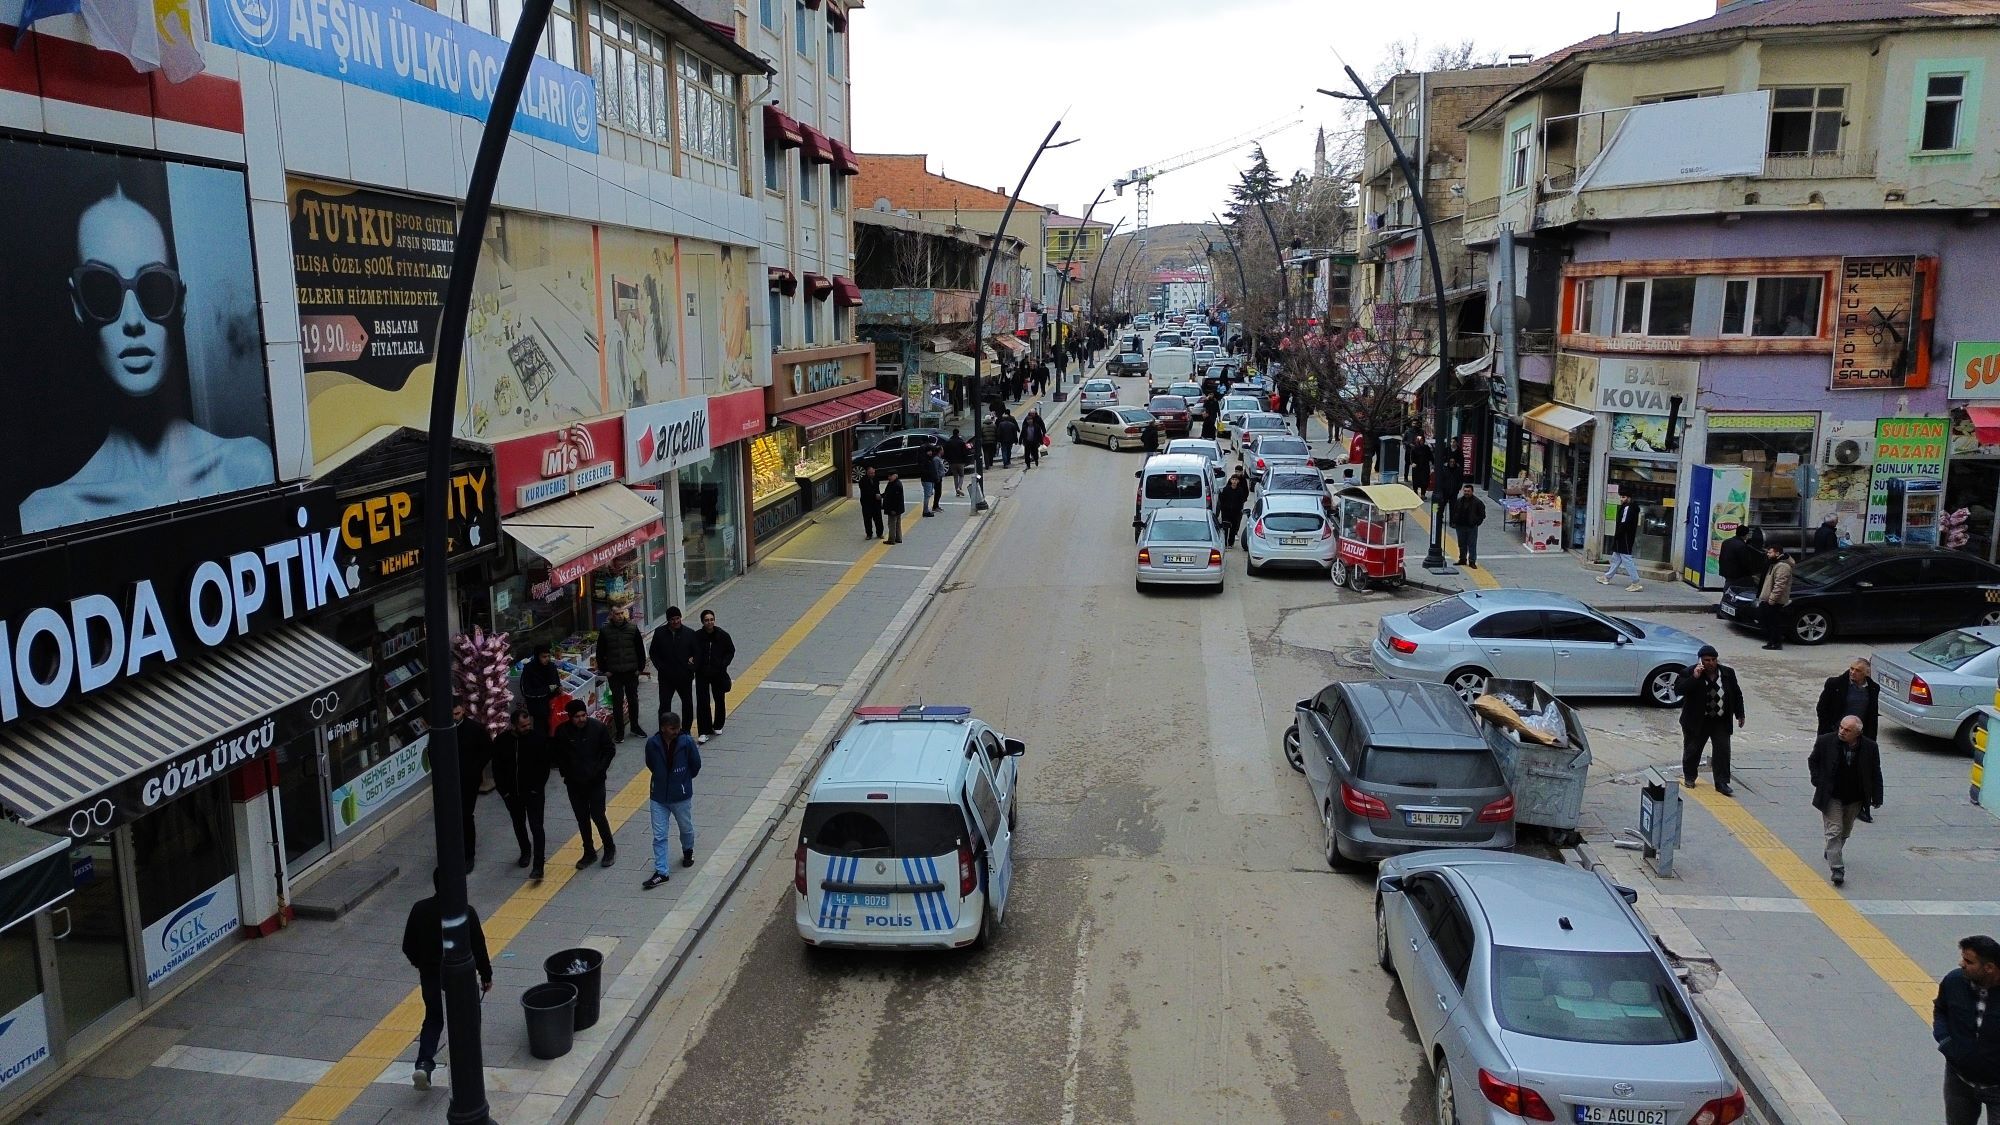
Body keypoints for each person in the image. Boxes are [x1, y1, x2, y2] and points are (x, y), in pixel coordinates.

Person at [19, 183, 272, 533]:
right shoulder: (45, 515)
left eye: (153, 288)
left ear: (180, 303)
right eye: (102, 290)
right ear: (78, 305)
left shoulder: (247, 467)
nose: (133, 321)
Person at [400, 869, 492, 1089]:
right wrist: (486, 975)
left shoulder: (419, 909)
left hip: (430, 976)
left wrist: (421, 964)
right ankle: (469, 1059)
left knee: (433, 1018)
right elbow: (479, 947)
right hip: (460, 979)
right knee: (470, 1015)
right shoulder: (465, 912)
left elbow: (408, 946)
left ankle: (423, 1063)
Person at [1807, 715, 1883, 886]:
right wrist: (1817, 780)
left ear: (1857, 733)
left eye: (1847, 730)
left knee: (1845, 831)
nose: (1842, 731)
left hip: (1855, 798)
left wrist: (1877, 796)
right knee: (1834, 830)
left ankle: (1832, 850)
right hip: (1832, 796)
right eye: (1841, 727)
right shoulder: (1825, 741)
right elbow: (1813, 760)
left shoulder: (1870, 747)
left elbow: (1875, 772)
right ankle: (1837, 868)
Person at [1935, 934, 2000, 1123]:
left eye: (1968, 961)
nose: (1961, 963)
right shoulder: (1954, 981)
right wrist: (1946, 1042)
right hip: (1960, 1079)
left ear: (1989, 968)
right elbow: (1940, 1010)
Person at [642, 711, 703, 888]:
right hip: (658, 796)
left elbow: (696, 765)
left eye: (678, 728)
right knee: (659, 835)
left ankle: (688, 850)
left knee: (685, 828)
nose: (676, 731)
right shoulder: (652, 744)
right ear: (662, 728)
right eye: (672, 728)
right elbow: (650, 763)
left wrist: (682, 780)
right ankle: (661, 871)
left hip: (681, 796)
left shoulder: (686, 743)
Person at [553, 699, 617, 868]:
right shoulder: (562, 732)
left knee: (598, 815)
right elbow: (558, 755)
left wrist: (600, 770)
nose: (581, 719)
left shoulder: (598, 728)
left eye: (583, 715)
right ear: (570, 717)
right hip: (574, 784)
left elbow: (609, 750)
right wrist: (566, 773)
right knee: (582, 818)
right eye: (577, 717)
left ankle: (609, 848)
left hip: (595, 782)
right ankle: (589, 851)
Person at [1675, 644, 1745, 794]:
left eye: (1713, 659)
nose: (1711, 663)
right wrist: (1695, 677)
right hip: (1697, 721)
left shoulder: (1727, 673)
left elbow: (1736, 694)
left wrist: (1740, 714)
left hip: (1720, 720)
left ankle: (1722, 783)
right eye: (1707, 660)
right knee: (1693, 750)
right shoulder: (1689, 672)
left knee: (1722, 751)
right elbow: (1679, 690)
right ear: (1700, 660)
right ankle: (1690, 777)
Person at [490, 708, 550, 878]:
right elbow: (497, 768)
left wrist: (536, 789)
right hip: (513, 795)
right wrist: (505, 793)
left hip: (533, 794)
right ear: (514, 726)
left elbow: (544, 767)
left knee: (536, 827)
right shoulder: (502, 742)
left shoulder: (537, 739)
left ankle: (538, 865)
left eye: (528, 724)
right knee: (519, 825)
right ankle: (525, 851)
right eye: (523, 726)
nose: (527, 728)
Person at [593, 605, 647, 742]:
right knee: (617, 702)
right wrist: (605, 670)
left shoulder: (632, 629)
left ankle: (635, 726)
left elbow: (640, 650)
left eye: (621, 613)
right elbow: (600, 652)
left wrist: (639, 669)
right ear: (611, 614)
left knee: (633, 700)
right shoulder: (605, 631)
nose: (620, 616)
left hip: (631, 672)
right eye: (617, 614)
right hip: (615, 673)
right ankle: (620, 732)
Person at [450, 702, 491, 866]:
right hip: (450, 781)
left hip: (468, 780)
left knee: (466, 816)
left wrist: (475, 770)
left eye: (457, 714)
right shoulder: (442, 729)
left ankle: (468, 854)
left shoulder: (475, 729)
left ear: (463, 711)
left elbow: (487, 750)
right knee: (452, 817)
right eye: (452, 715)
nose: (454, 718)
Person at [648, 607, 699, 730]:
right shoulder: (659, 633)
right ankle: (664, 730)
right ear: (668, 621)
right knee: (665, 705)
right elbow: (653, 653)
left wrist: (691, 668)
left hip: (684, 676)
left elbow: (697, 653)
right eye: (672, 619)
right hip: (666, 677)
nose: (676, 621)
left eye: (677, 618)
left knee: (687, 704)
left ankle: (686, 730)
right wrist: (661, 667)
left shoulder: (690, 633)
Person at [692, 608, 735, 744]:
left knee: (719, 699)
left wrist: (723, 664)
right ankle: (704, 731)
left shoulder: (722, 635)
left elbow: (730, 651)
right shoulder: (697, 636)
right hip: (702, 673)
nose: (709, 622)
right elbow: (691, 650)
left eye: (711, 619)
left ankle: (718, 725)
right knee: (703, 701)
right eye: (706, 620)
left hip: (718, 672)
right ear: (702, 622)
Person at [1816, 657, 1880, 739]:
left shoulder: (1873, 688)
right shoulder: (1835, 684)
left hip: (1857, 736)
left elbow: (1872, 715)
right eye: (1852, 669)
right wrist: (1828, 728)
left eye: (1858, 670)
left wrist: (1871, 739)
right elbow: (1821, 708)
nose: (1853, 672)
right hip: (1834, 733)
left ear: (1866, 673)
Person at [1599, 494, 1644, 591]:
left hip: (1624, 538)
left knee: (1626, 559)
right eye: (1621, 497)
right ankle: (1607, 577)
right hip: (1624, 537)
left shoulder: (1628, 508)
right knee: (1616, 558)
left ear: (1629, 498)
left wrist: (1618, 535)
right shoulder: (1630, 507)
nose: (1621, 499)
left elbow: (1624, 523)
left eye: (1623, 497)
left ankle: (1635, 582)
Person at [1758, 546, 1796, 650]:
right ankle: (1771, 641)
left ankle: (1775, 643)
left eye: (1770, 552)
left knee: (1774, 623)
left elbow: (1779, 585)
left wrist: (1772, 599)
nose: (1768, 554)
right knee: (1769, 622)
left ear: (1777, 553)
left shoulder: (1782, 566)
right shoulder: (1774, 563)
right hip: (1768, 598)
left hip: (1774, 601)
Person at [519, 644, 560, 733]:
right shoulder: (529, 669)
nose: (547, 659)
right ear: (537, 656)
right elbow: (527, 691)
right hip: (538, 709)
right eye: (544, 657)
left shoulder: (551, 667)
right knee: (541, 732)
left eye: (549, 656)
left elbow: (556, 684)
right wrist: (548, 689)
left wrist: (554, 689)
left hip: (552, 706)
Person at [1449, 483, 1486, 568]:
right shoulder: (1459, 501)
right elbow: (1454, 511)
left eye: (1468, 491)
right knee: (1461, 544)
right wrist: (1455, 522)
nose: (1466, 493)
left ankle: (1472, 561)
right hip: (1460, 526)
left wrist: (1476, 523)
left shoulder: (1478, 502)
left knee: (1472, 545)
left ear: (1472, 492)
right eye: (1465, 491)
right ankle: (1462, 559)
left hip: (1471, 527)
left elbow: (1482, 515)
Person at [1717, 524, 1755, 597]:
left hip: (1725, 570)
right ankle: (1726, 601)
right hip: (1737, 573)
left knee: (1728, 585)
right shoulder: (1741, 546)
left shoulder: (1726, 542)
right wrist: (1749, 573)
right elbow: (1745, 562)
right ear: (1745, 535)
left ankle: (1726, 599)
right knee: (1732, 588)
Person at [1218, 468, 1250, 548]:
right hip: (1226, 512)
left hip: (1235, 513)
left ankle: (1231, 543)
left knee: (1233, 529)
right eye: (1233, 479)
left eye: (1236, 480)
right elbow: (1222, 500)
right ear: (1230, 480)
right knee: (1225, 528)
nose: (1234, 481)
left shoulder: (1240, 491)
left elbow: (1241, 501)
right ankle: (1224, 543)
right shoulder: (1226, 489)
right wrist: (1223, 509)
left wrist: (1239, 510)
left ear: (1238, 481)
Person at [857, 464, 884, 541]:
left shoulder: (876, 479)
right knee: (867, 519)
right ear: (867, 473)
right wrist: (875, 495)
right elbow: (866, 492)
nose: (872, 474)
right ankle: (869, 534)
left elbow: (877, 489)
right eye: (871, 473)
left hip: (876, 503)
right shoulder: (862, 481)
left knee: (878, 519)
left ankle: (880, 533)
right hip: (867, 503)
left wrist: (879, 499)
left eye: (873, 473)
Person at [943, 428, 971, 496]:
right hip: (960, 461)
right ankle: (959, 487)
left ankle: (957, 491)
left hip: (952, 462)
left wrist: (948, 460)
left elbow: (945, 452)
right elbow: (965, 452)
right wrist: (965, 461)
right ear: (958, 433)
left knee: (955, 476)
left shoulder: (948, 442)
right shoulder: (961, 442)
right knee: (961, 475)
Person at [918, 441, 942, 517]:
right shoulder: (925, 460)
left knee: (929, 494)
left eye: (931, 451)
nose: (930, 452)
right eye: (929, 451)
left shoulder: (930, 459)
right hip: (927, 479)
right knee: (927, 495)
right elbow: (925, 470)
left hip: (930, 479)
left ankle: (926, 510)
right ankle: (925, 511)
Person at [882, 470, 906, 544]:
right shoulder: (894, 483)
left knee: (892, 524)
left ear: (895, 475)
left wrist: (893, 509)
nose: (889, 477)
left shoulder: (896, 485)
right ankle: (898, 538)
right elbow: (887, 493)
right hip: (898, 509)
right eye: (888, 476)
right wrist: (882, 495)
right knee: (897, 523)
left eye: (890, 476)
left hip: (894, 509)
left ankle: (891, 540)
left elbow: (896, 499)